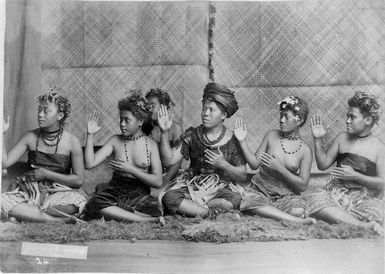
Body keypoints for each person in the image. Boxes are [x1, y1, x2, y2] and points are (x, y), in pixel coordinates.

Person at [157, 82, 247, 218]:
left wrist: (224, 164)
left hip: (220, 189)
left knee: (235, 200)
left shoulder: (232, 139)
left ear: (223, 115)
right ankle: (212, 213)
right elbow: (169, 161)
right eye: (204, 109)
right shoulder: (192, 135)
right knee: (169, 198)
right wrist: (164, 132)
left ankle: (196, 209)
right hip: (193, 187)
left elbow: (242, 175)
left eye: (211, 110)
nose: (205, 113)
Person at [1, 89, 86, 223]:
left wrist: (46, 174)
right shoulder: (30, 137)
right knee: (2, 200)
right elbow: (5, 163)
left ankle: (31, 214)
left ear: (60, 115)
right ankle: (55, 221)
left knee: (79, 203)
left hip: (59, 193)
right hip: (31, 193)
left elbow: (78, 180)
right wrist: (2, 133)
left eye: (46, 111)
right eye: (39, 110)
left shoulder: (72, 142)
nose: (40, 115)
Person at [307, 91, 384, 231]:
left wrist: (356, 176)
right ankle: (362, 226)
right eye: (347, 116)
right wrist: (317, 139)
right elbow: (323, 165)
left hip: (363, 197)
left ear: (368, 120)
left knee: (376, 211)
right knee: (315, 200)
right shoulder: (342, 138)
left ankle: (340, 218)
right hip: (336, 193)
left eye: (352, 117)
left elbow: (382, 183)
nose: (347, 121)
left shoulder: (379, 147)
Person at [84, 92, 164, 223]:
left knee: (156, 208)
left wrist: (131, 169)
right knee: (94, 203)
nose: (122, 124)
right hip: (116, 189)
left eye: (127, 120)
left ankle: (121, 213)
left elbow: (158, 182)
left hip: (140, 193)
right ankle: (142, 220)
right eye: (121, 119)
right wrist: (90, 135)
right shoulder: (115, 140)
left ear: (140, 121)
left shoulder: (151, 144)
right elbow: (89, 164)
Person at [233, 95, 315, 224]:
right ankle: (295, 221)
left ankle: (267, 213)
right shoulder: (272, 135)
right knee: (250, 201)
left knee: (298, 210)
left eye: (286, 117)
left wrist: (279, 168)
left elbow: (303, 185)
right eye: (281, 115)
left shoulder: (305, 150)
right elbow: (254, 164)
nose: (281, 120)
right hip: (261, 190)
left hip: (286, 195)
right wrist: (242, 141)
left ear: (299, 120)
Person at [145, 88, 183, 186]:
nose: (149, 109)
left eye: (152, 105)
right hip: (154, 177)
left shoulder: (176, 128)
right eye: (148, 106)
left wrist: (165, 181)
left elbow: (177, 162)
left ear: (164, 107)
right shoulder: (149, 130)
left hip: (172, 178)